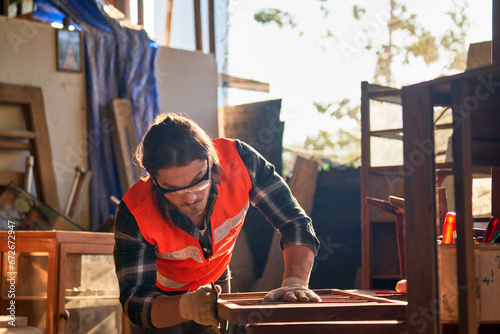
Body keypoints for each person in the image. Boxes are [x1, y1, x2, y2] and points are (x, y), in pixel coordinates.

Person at [114, 112, 321, 333]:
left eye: (198, 180)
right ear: (153, 180)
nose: (191, 198)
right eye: (173, 189)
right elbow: (135, 301)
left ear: (210, 159)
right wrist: (186, 306)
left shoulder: (241, 163)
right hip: (160, 300)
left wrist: (295, 281)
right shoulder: (135, 212)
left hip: (215, 282)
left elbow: (295, 223)